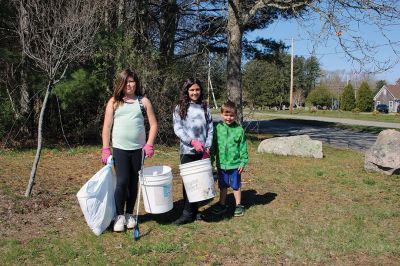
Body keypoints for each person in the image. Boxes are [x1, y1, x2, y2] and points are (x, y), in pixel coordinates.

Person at [101, 68, 158, 232]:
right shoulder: (114, 102)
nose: (129, 84)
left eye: (132, 81)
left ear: (136, 83)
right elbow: (106, 127)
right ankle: (118, 216)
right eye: (126, 81)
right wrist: (105, 148)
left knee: (134, 183)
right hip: (120, 149)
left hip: (138, 150)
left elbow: (153, 125)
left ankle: (129, 215)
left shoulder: (143, 102)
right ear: (121, 83)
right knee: (122, 182)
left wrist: (149, 144)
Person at [172, 78, 213, 225]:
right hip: (187, 151)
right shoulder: (180, 108)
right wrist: (192, 141)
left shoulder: (205, 108)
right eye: (191, 90)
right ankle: (186, 213)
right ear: (186, 91)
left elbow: (210, 129)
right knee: (189, 182)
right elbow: (178, 128)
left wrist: (207, 147)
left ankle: (195, 211)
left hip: (202, 152)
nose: (195, 92)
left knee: (200, 181)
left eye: (197, 90)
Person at [211, 100, 248, 217]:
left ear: (235, 115)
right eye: (226, 115)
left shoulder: (239, 130)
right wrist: (211, 160)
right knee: (223, 186)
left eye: (231, 115)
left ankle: (238, 205)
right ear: (221, 114)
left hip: (235, 165)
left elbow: (243, 147)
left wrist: (243, 162)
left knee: (236, 186)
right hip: (221, 164)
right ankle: (222, 204)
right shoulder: (218, 128)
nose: (229, 118)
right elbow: (214, 146)